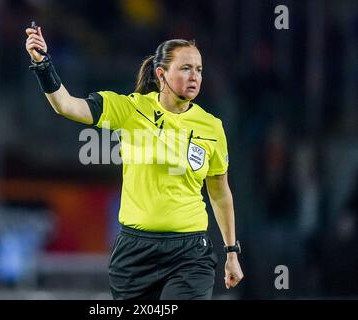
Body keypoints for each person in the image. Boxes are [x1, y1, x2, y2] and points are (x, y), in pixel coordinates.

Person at [25, 24, 244, 300]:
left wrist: (231, 252)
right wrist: (42, 63)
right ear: (161, 74)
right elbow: (66, 105)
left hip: (190, 254)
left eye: (199, 70)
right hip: (135, 253)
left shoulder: (211, 126)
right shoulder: (130, 108)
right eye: (186, 68)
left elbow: (220, 193)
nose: (195, 76)